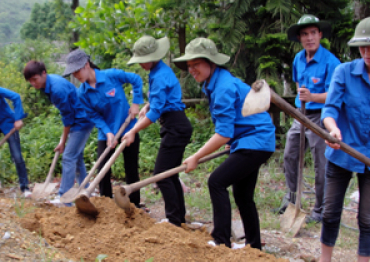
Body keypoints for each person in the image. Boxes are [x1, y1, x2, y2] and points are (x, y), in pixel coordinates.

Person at [174, 38, 276, 249]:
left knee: (216, 182)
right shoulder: (215, 83)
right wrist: (234, 140)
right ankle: (254, 246)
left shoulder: (223, 87)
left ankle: (221, 240)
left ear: (211, 63)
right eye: (189, 66)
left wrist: (196, 157)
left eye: (196, 64)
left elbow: (223, 134)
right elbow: (233, 125)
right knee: (242, 195)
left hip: (255, 140)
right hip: (252, 139)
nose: (192, 70)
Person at [315, 17, 370, 262]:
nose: (367, 53)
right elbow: (330, 108)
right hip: (341, 151)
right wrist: (332, 128)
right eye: (363, 47)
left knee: (367, 219)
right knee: (330, 211)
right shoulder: (345, 72)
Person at [122, 35, 193, 226]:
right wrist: (147, 105)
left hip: (176, 127)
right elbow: (158, 102)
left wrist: (133, 130)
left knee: (161, 174)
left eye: (143, 61)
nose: (141, 65)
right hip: (174, 124)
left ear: (153, 57)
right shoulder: (157, 71)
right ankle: (178, 217)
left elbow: (155, 114)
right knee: (170, 174)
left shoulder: (160, 75)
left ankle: (173, 220)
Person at [277, 15, 341, 223]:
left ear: (320, 34)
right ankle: (292, 199)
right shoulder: (298, 59)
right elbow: (298, 84)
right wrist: (301, 97)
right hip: (301, 114)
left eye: (313, 33)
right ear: (299, 38)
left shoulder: (331, 62)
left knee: (320, 163)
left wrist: (312, 97)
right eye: (305, 34)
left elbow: (335, 94)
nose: (309, 38)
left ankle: (320, 209)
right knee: (290, 154)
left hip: (322, 115)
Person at [63, 49, 143, 208]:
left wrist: (135, 103)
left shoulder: (111, 76)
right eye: (72, 72)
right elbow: (93, 115)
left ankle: (134, 206)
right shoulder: (82, 93)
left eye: (77, 70)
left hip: (128, 128)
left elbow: (136, 79)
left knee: (131, 168)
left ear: (86, 65)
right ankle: (106, 205)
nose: (76, 76)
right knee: (102, 170)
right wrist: (107, 132)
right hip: (106, 133)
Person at [23, 60, 94, 201]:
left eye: (35, 79)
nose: (33, 83)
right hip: (77, 118)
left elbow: (67, 118)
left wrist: (63, 141)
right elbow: (67, 116)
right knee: (76, 157)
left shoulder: (56, 89)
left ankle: (64, 197)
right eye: (30, 81)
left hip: (82, 120)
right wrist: (64, 139)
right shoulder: (48, 84)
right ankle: (86, 190)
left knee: (68, 157)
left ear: (44, 73)